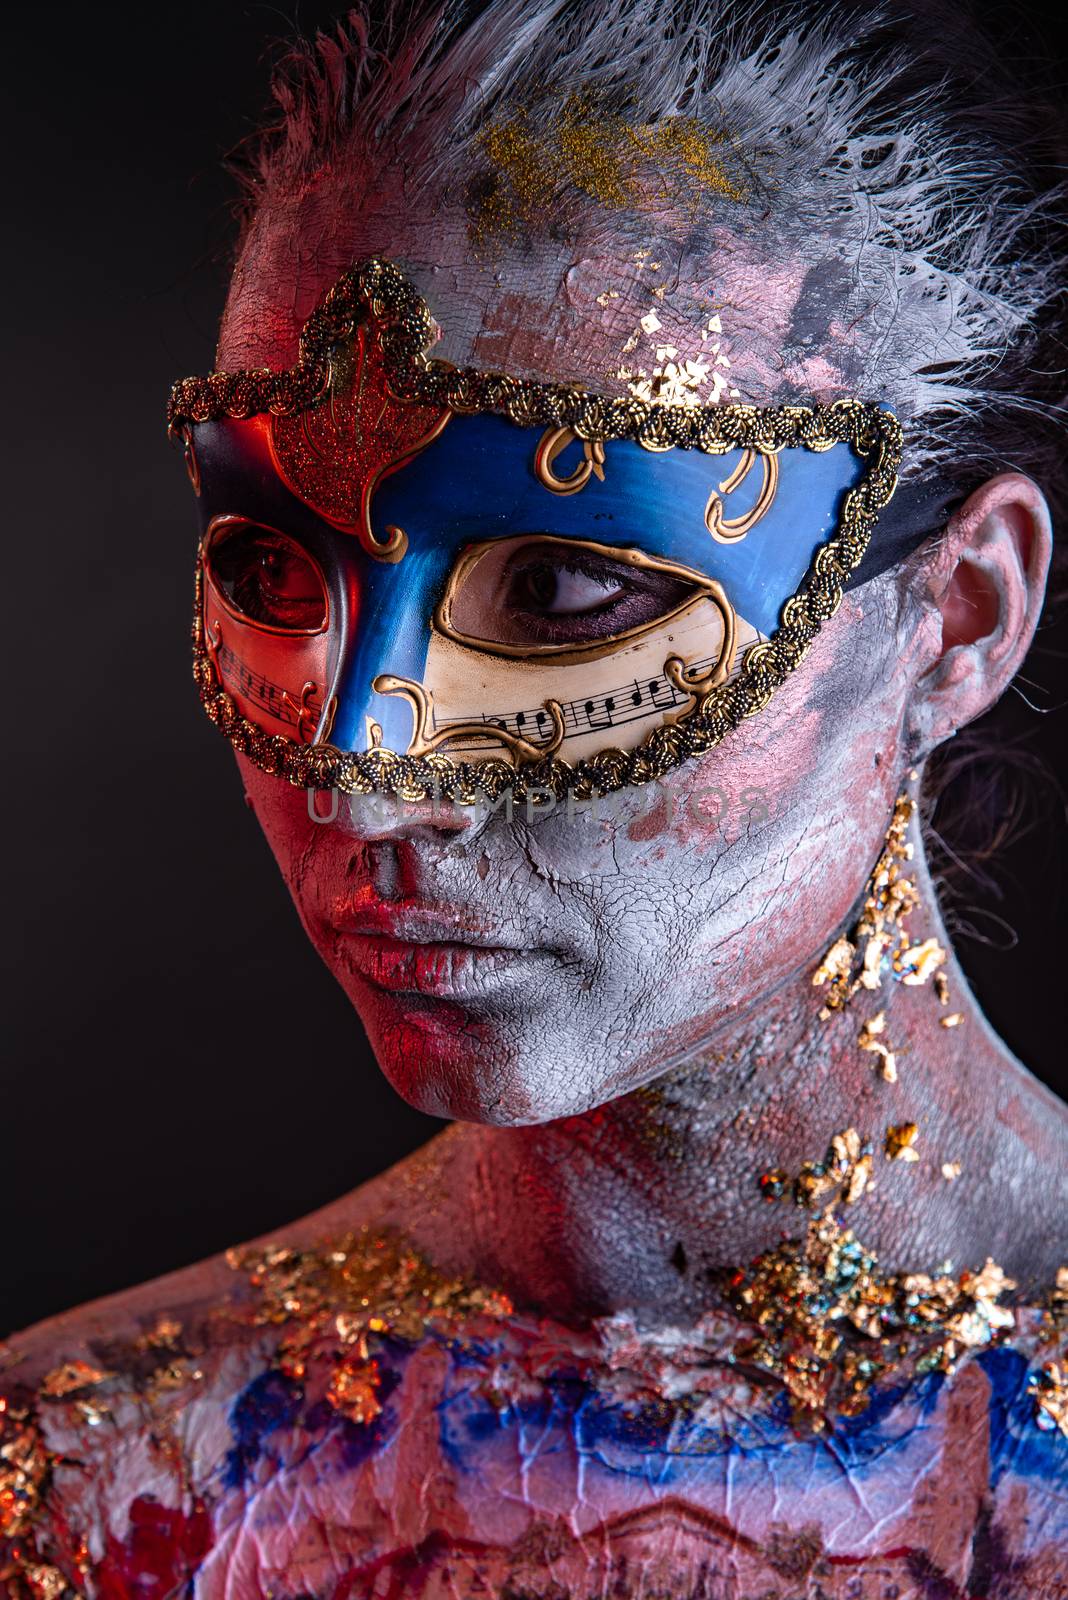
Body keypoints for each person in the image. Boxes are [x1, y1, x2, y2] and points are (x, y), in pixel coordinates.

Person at [2, 2, 1066, 1595]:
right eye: (271, 566)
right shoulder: (103, 1488)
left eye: (565, 587)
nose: (361, 788)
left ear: (958, 615)